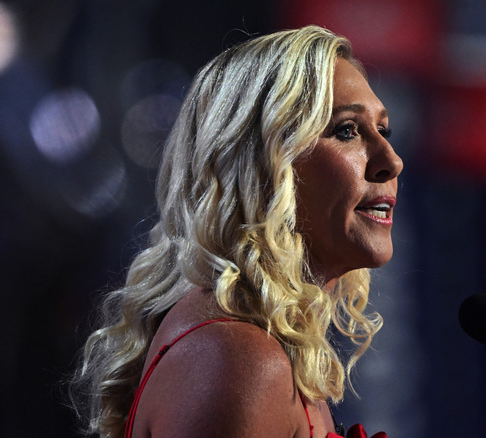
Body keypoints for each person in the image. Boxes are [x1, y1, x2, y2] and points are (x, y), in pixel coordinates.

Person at [70, 25, 403, 438]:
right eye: (346, 130)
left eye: (383, 131)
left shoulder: (257, 348)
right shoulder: (240, 359)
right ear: (261, 164)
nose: (391, 160)